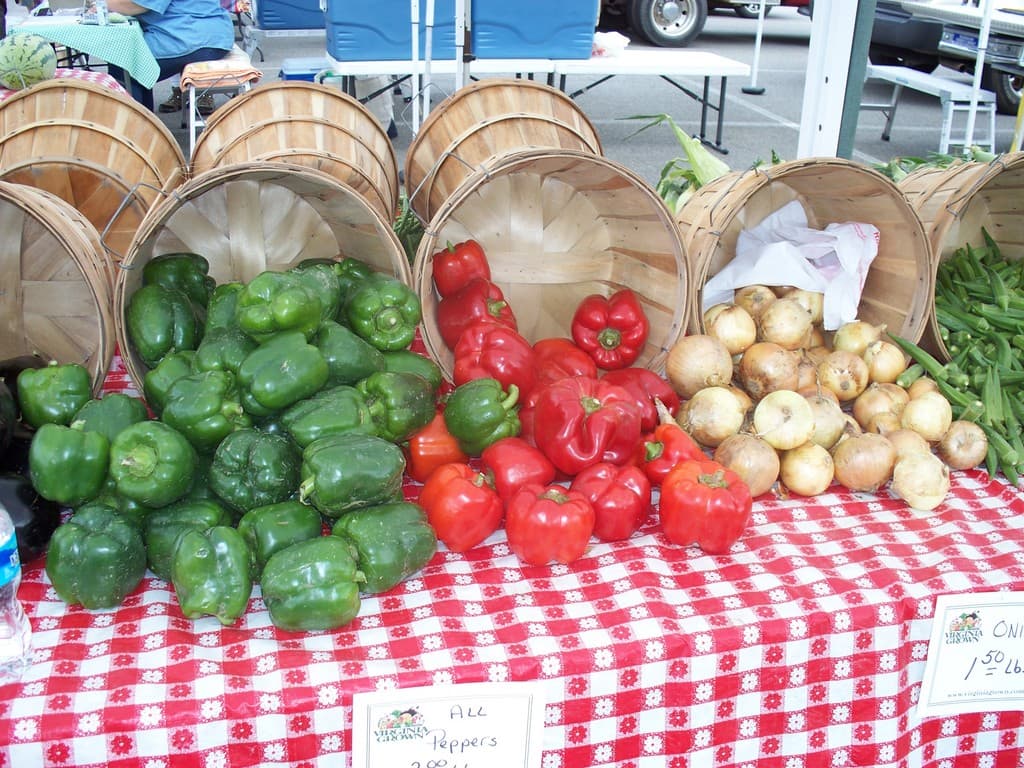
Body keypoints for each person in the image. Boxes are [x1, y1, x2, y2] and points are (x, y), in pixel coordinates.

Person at [102, 0, 234, 113]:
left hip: (193, 36)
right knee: (130, 58)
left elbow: (134, 6)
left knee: (124, 62)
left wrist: (100, 3)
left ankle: (133, 130)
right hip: (205, 33)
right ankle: (143, 125)